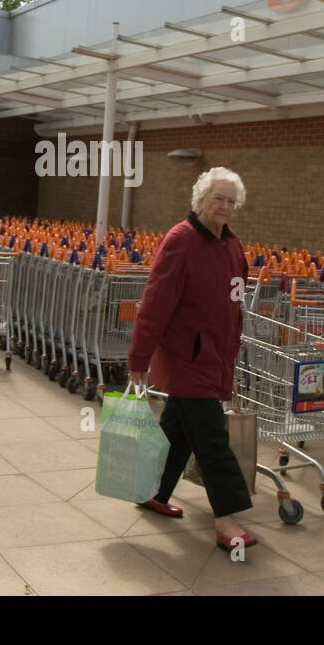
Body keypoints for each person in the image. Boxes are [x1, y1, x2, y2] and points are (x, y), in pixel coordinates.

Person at [127, 166, 255, 552]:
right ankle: (226, 520)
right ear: (201, 198)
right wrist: (139, 359)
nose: (225, 207)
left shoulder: (232, 245)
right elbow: (154, 304)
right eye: (218, 198)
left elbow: (235, 301)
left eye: (232, 201)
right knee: (213, 440)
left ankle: (153, 491)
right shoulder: (180, 241)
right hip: (187, 358)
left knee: (178, 432)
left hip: (216, 357)